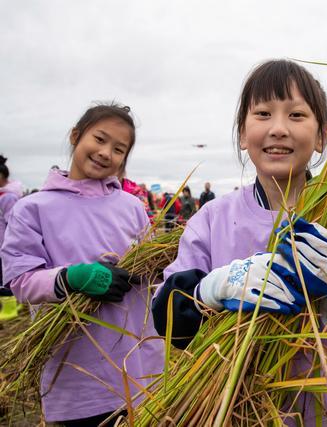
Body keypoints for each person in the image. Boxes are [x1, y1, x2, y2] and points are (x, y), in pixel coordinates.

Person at [151, 60, 327, 425]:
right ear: (242, 132)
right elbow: (168, 321)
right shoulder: (212, 219)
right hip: (234, 411)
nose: (279, 129)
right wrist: (211, 288)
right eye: (263, 113)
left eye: (297, 115)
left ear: (321, 135)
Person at [0, 104, 163, 426]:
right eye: (99, 139)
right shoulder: (33, 208)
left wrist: (156, 267)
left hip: (138, 362)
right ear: (76, 136)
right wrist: (71, 277)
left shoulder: (131, 207)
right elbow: (20, 281)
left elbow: (153, 264)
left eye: (119, 149)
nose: (106, 153)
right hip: (76, 368)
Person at [0, 155, 23, 320]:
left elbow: (14, 224)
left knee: (4, 278)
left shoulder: (8, 197)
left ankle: (9, 310)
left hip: (4, 246)